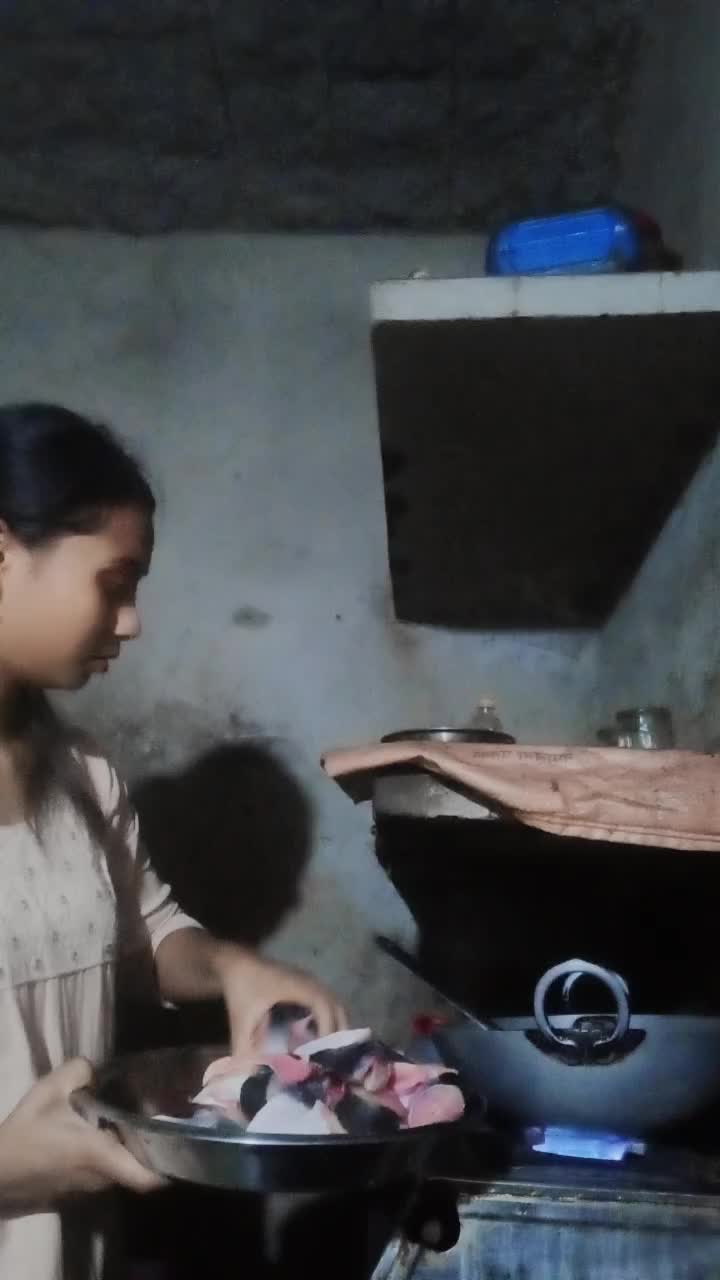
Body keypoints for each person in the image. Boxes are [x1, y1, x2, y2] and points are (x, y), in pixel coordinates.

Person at [0, 403, 347, 1279]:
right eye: (114, 583)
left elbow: (147, 936)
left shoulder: (83, 776)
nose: (132, 623)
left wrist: (233, 968)